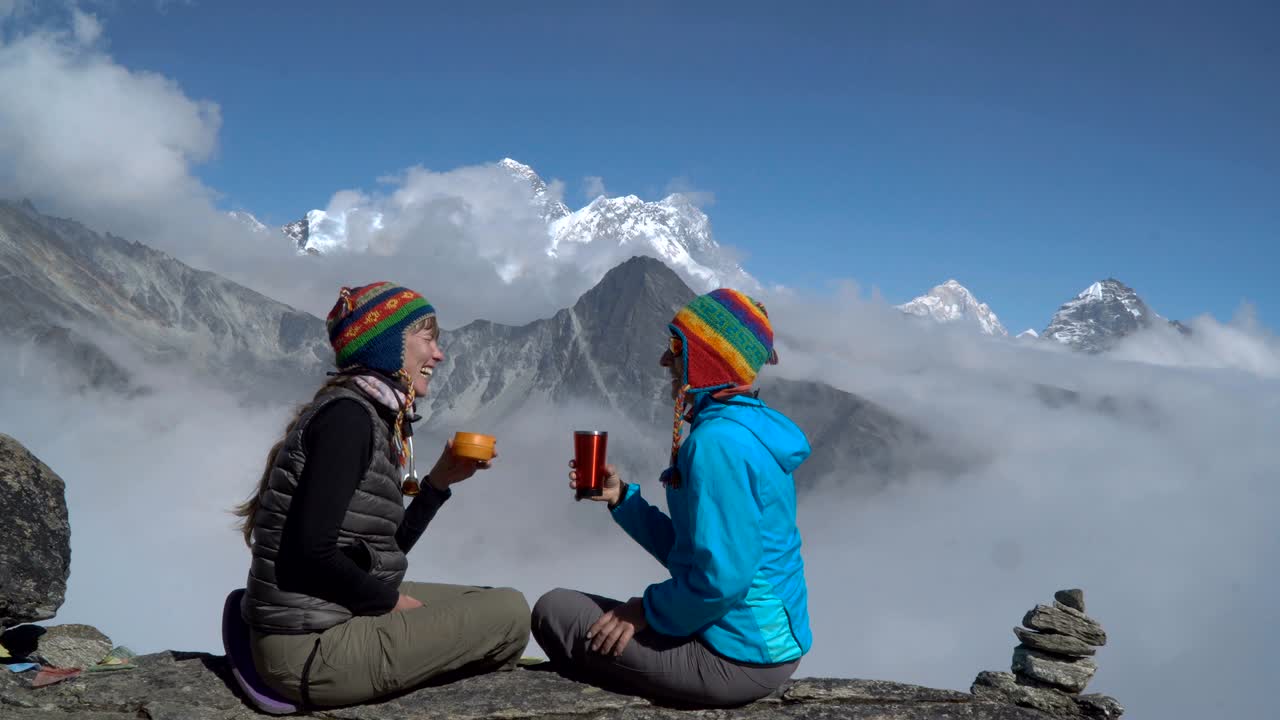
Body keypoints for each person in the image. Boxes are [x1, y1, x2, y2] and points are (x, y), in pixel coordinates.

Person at [231, 282, 530, 709]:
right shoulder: (349, 420)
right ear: (388, 345)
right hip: (307, 648)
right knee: (511, 613)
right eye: (428, 340)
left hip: (323, 619)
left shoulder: (365, 413)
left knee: (483, 600)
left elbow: (378, 550)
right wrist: (390, 602)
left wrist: (437, 484)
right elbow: (309, 552)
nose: (438, 355)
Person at [531, 288, 813, 708]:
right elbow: (698, 552)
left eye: (676, 348)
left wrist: (645, 610)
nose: (666, 361)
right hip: (760, 642)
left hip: (739, 657)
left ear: (707, 360)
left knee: (554, 612)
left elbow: (722, 580)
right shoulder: (749, 425)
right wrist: (622, 498)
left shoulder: (717, 443)